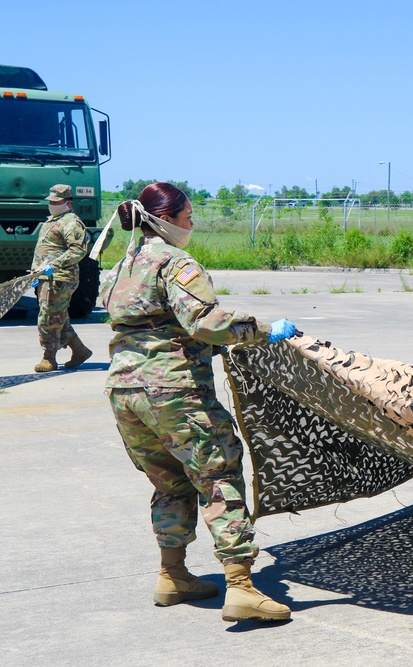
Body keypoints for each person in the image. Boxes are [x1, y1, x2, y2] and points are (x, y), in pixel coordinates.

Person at [100, 182, 297, 622]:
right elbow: (205, 324)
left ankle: (173, 577)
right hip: (174, 392)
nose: (192, 225)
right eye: (188, 218)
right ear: (166, 220)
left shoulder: (124, 263)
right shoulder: (175, 262)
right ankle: (242, 588)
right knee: (218, 475)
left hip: (125, 392)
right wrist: (263, 329)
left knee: (170, 481)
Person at [30, 183, 93, 372]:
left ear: (67, 203)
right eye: (50, 201)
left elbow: (78, 250)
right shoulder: (53, 220)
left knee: (49, 318)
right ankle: (79, 350)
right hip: (46, 277)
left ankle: (49, 357)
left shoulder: (71, 222)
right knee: (58, 317)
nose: (52, 204)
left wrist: (54, 265)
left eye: (56, 201)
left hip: (59, 278)